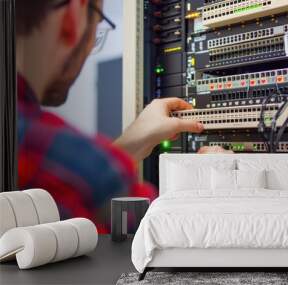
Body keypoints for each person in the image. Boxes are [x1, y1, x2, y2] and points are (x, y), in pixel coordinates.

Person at [16, 0, 221, 232]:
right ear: (73, 16)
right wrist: (209, 179)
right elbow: (162, 236)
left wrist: (127, 146)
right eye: (98, 24)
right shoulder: (80, 171)